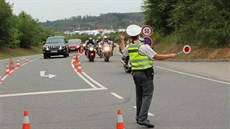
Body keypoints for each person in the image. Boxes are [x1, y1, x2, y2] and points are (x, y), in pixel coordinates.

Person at [120, 24, 177, 128]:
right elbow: (157, 57)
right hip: (145, 74)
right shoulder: (143, 47)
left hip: (135, 74)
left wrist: (122, 40)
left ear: (130, 36)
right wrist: (171, 55)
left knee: (139, 96)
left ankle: (138, 117)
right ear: (139, 34)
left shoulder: (130, 46)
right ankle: (142, 118)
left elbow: (123, 52)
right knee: (147, 96)